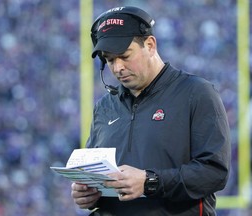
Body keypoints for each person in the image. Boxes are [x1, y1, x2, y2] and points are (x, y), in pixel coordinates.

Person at [71, 6, 231, 216]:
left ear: (150, 45)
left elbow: (214, 172)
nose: (118, 67)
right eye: (109, 60)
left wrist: (150, 182)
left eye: (124, 56)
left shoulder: (196, 93)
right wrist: (88, 194)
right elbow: (96, 174)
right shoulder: (105, 107)